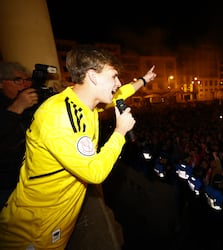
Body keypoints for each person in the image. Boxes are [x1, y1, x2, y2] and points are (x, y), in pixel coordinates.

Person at [0, 45, 157, 249]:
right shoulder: (59, 117)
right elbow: (94, 172)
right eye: (114, 76)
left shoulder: (84, 103)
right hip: (37, 229)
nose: (118, 83)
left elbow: (121, 94)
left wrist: (144, 80)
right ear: (93, 76)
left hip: (58, 222)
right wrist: (120, 132)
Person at [0, 62, 38, 210]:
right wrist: (17, 107)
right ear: (2, 83)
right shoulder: (13, 104)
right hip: (5, 184)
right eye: (17, 80)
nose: (24, 85)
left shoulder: (28, 100)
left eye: (26, 80)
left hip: (28, 177)